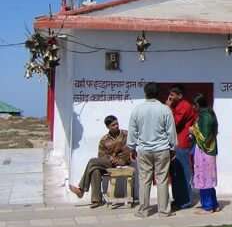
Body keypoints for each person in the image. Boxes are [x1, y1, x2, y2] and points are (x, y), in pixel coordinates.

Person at [127, 82, 177, 218]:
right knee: (162, 179)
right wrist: (173, 147)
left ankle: (143, 210)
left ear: (145, 93)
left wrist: (131, 148)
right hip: (162, 149)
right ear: (158, 94)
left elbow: (132, 131)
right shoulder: (165, 109)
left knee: (144, 180)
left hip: (144, 149)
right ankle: (164, 210)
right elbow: (171, 131)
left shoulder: (138, 110)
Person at [69, 115, 130, 208]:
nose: (116, 126)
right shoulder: (104, 140)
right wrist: (109, 158)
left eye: (117, 124)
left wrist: (117, 159)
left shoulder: (126, 134)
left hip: (122, 161)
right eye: (113, 125)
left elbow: (128, 149)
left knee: (92, 162)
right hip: (109, 163)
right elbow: (101, 156)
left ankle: (81, 190)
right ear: (108, 127)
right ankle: (96, 200)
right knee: (95, 170)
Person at [166, 85, 198, 210]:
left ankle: (185, 201)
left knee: (184, 173)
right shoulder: (176, 106)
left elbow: (174, 122)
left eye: (173, 95)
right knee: (175, 174)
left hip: (182, 143)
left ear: (180, 95)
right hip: (176, 143)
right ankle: (178, 199)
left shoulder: (184, 106)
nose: (170, 97)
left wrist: (168, 108)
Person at [190, 93, 220, 214]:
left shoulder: (205, 116)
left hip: (205, 151)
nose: (193, 107)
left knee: (204, 178)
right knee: (208, 178)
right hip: (208, 151)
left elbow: (205, 138)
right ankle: (214, 204)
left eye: (194, 105)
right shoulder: (209, 114)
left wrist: (193, 130)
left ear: (197, 105)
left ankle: (207, 207)